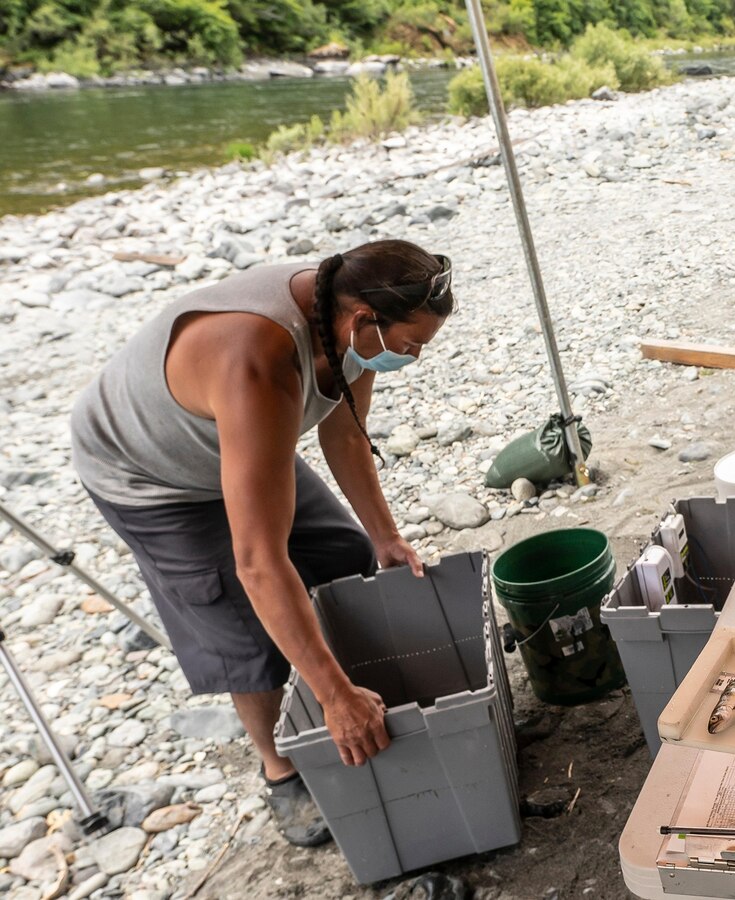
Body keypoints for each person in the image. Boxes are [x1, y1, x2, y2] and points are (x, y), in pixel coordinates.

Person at [70, 240, 454, 846]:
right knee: (244, 630)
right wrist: (335, 698)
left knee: (344, 555)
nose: (415, 357)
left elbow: (347, 436)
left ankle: (341, 681)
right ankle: (280, 768)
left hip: (234, 439)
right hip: (149, 474)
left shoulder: (348, 325)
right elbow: (257, 562)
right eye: (412, 345)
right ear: (364, 321)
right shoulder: (261, 360)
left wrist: (385, 535)